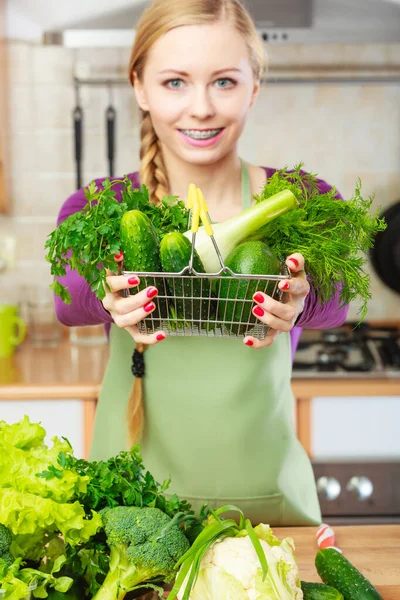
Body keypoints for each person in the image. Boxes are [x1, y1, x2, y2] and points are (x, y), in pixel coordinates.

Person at [55, 0, 349, 526]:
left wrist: (302, 301)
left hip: (269, 507)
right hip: (131, 509)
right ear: (139, 87)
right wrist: (108, 289)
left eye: (224, 82)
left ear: (254, 86)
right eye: (175, 82)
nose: (201, 108)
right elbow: (68, 300)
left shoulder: (297, 200)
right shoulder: (103, 206)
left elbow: (340, 300)